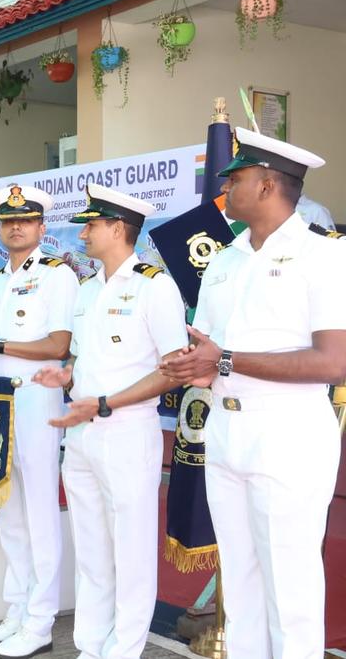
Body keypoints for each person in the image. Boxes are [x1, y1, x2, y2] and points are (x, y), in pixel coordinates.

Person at [160, 129, 345, 658]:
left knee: (290, 590)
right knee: (240, 587)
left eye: (235, 180)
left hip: (287, 434)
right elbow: (211, 351)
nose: (225, 191)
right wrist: (192, 364)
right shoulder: (225, 260)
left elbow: (335, 361)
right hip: (226, 429)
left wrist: (222, 360)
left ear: (267, 185)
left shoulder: (324, 256)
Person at [31, 184, 187, 659]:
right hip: (81, 432)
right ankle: (91, 645)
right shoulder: (88, 287)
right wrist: (67, 373)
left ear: (118, 229)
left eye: (91, 224)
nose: (82, 232)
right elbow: (86, 355)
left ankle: (124, 649)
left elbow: (172, 368)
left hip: (125, 431)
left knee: (131, 550)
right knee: (93, 548)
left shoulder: (153, 286)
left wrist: (103, 403)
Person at [0, 186, 78, 658]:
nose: (15, 227)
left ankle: (41, 620)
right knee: (9, 505)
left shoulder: (56, 276)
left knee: (41, 511)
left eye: (25, 220)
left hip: (37, 401)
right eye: (8, 221)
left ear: (42, 228)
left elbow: (59, 345)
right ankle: (18, 607)